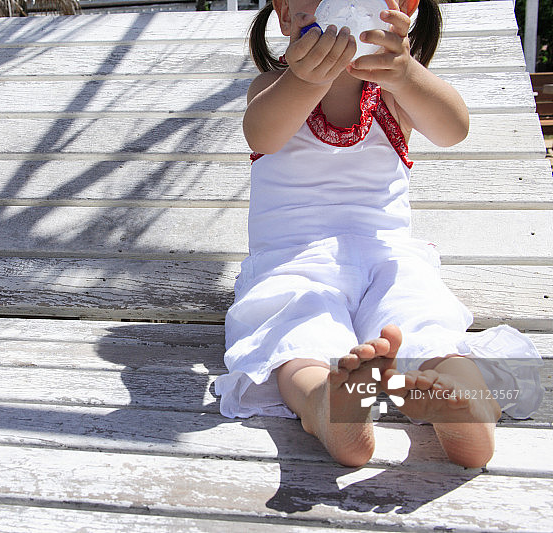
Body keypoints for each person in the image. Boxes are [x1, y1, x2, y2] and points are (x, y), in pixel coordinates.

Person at [214, 0, 544, 468]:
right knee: (295, 332)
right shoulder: (272, 87)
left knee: (419, 315)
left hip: (389, 258)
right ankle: (324, 404)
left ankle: (459, 397)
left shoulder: (395, 92)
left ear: (395, 12)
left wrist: (407, 71)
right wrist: (307, 79)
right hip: (295, 262)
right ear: (285, 15)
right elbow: (262, 136)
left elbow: (453, 130)